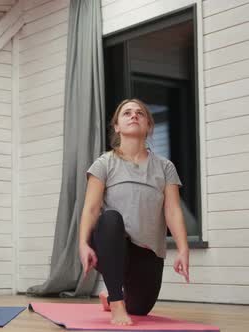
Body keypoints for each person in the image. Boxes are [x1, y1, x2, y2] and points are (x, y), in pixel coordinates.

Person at [78, 99, 190, 326]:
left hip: (146, 251)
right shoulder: (104, 163)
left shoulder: (165, 167)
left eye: (140, 113)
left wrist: (183, 248)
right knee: (110, 218)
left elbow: (172, 210)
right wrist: (83, 243)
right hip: (111, 245)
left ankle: (111, 294)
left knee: (140, 308)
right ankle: (116, 302)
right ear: (117, 126)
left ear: (148, 125)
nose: (133, 115)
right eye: (126, 113)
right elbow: (91, 208)